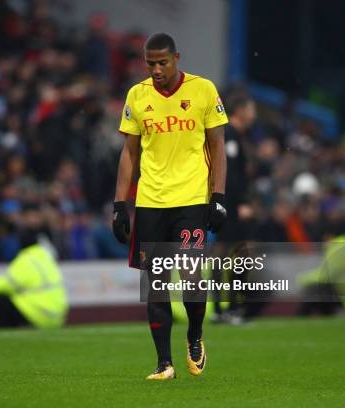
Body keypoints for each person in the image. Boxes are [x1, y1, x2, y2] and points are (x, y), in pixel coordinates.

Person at [112, 33, 228, 380]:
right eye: (151, 64)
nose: (157, 69)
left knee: (192, 275)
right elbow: (130, 153)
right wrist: (120, 204)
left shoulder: (203, 90)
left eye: (163, 62)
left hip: (192, 200)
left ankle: (194, 335)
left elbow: (218, 146)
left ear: (176, 57)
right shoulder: (137, 95)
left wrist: (218, 197)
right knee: (156, 283)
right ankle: (164, 363)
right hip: (150, 203)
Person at [0, 205, 68, 329]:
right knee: (19, 296)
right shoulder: (47, 257)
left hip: (40, 315)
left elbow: (6, 282)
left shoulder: (26, 259)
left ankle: (5, 335)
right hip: (58, 317)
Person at [210, 89, 257, 324]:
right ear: (240, 111)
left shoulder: (235, 135)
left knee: (233, 254)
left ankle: (226, 307)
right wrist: (239, 203)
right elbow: (228, 175)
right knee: (231, 253)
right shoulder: (229, 134)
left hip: (230, 205)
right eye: (251, 109)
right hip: (230, 206)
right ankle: (227, 308)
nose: (254, 115)